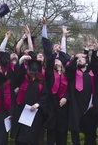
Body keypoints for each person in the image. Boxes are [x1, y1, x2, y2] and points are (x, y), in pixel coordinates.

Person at [41, 17, 70, 145]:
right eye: (55, 60)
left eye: (59, 60)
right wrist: (44, 27)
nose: (58, 61)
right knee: (51, 129)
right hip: (52, 103)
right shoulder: (50, 73)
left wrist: (66, 97)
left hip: (63, 103)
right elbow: (51, 58)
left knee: (62, 131)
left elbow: (70, 87)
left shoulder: (66, 74)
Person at [11, 54, 48, 145]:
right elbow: (17, 70)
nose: (33, 73)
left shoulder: (42, 82)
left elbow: (45, 95)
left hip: (34, 113)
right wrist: (23, 59)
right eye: (31, 71)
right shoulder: (23, 79)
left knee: (33, 137)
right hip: (21, 110)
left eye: (35, 71)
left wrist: (37, 105)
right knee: (20, 137)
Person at [65, 50, 96, 145]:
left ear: (86, 64)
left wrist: (94, 102)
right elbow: (69, 68)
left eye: (82, 60)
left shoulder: (91, 75)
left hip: (88, 105)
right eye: (78, 60)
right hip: (75, 104)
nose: (80, 61)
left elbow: (96, 90)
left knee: (89, 130)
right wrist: (75, 57)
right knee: (75, 129)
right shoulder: (73, 74)